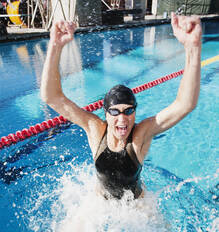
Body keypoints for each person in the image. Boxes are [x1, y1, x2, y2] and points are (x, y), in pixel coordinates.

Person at [41, 12, 202, 200]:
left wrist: (193, 48)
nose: (122, 118)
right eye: (115, 112)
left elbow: (185, 104)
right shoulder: (95, 130)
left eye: (129, 111)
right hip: (100, 202)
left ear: (135, 112)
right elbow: (52, 97)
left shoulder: (140, 135)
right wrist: (55, 45)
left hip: (137, 207)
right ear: (106, 114)